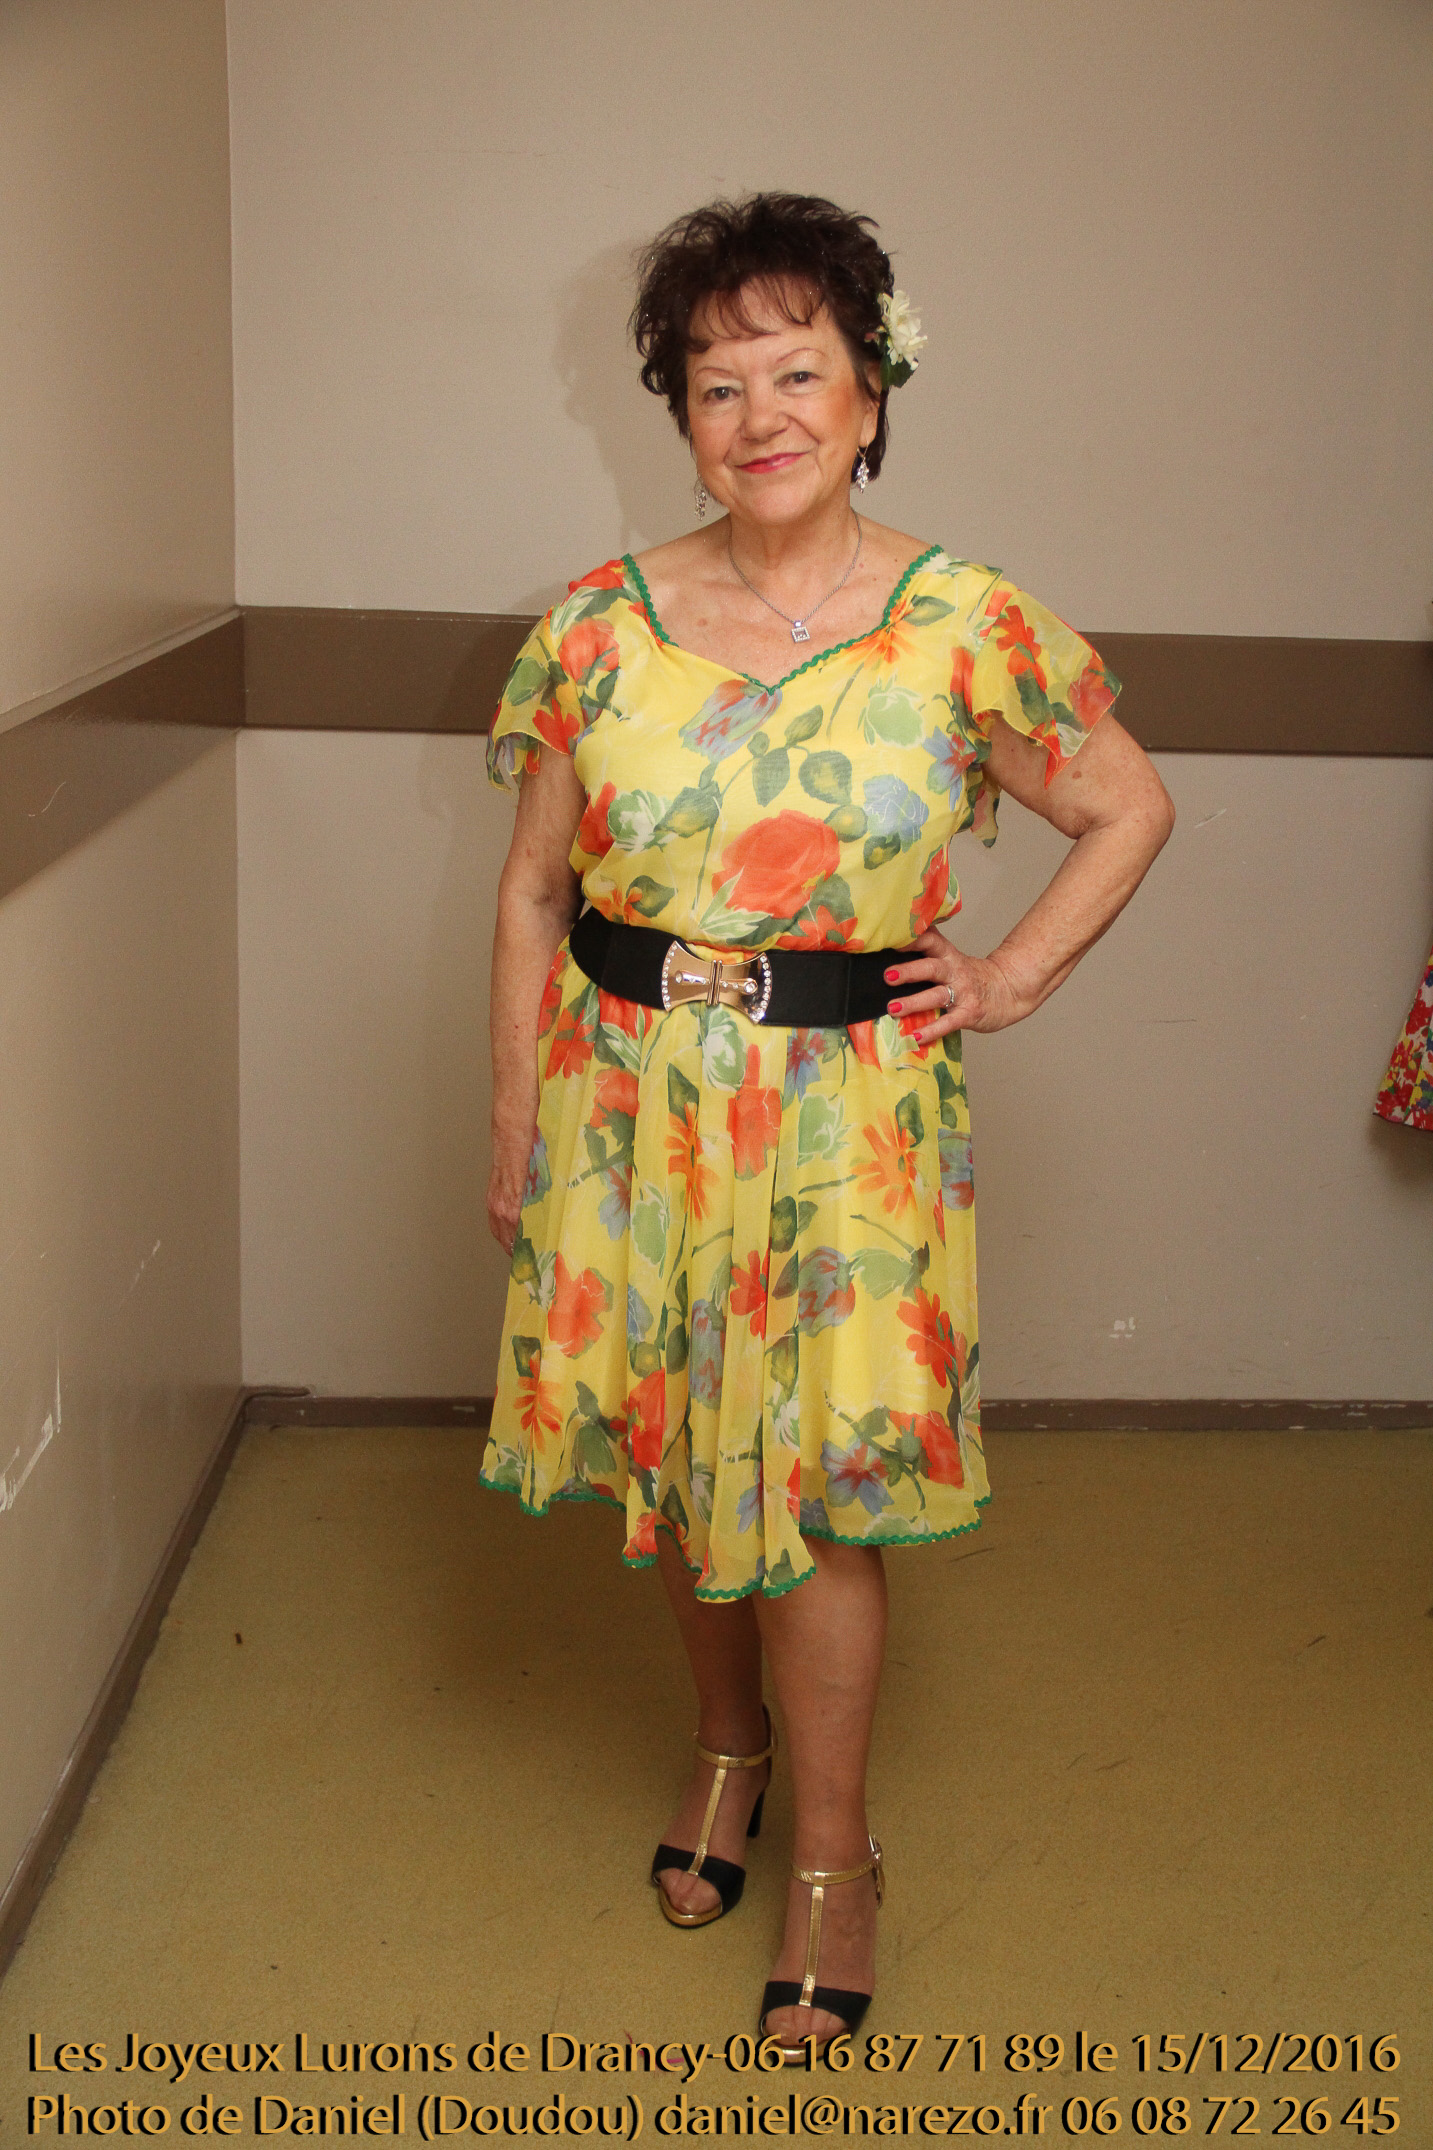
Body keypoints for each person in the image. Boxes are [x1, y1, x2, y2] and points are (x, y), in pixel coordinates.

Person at [481, 193, 1174, 2053]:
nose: (758, 415)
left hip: (847, 1125)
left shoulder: (965, 626)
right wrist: (516, 1115)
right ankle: (728, 1748)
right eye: (716, 385)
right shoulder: (595, 627)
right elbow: (534, 887)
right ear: (678, 416)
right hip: (631, 1109)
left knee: (814, 1494)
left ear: (871, 394)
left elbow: (1125, 802)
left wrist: (1008, 976)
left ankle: (833, 1861)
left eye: (796, 373)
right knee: (680, 1461)